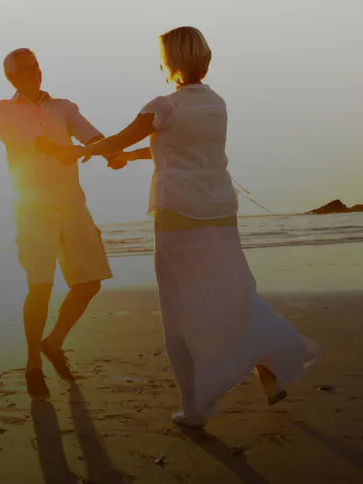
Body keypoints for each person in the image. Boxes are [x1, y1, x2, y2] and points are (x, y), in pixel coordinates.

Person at [36, 27, 320, 427]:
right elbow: (173, 147)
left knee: (180, 310)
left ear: (169, 60)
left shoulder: (163, 106)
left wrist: (78, 151)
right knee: (237, 292)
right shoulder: (216, 103)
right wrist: (127, 157)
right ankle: (270, 368)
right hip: (220, 210)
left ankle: (196, 408)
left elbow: (119, 138)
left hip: (179, 216)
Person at [0, 48, 114, 400]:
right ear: (12, 77)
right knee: (41, 286)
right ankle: (33, 364)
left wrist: (109, 151)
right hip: (33, 207)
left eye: (37, 67)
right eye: (27, 69)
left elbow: (90, 134)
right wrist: (59, 151)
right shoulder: (5, 109)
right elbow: (30, 140)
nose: (35, 73)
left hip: (72, 204)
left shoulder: (63, 106)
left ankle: (54, 341)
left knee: (90, 282)